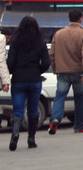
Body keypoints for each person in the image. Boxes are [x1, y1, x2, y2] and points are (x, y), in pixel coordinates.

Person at [6, 16, 50, 150]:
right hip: (34, 79)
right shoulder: (40, 42)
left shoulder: (15, 41)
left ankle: (15, 134)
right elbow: (46, 63)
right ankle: (31, 139)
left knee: (18, 109)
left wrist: (15, 71)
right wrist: (38, 70)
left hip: (19, 79)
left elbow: (10, 62)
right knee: (32, 110)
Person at [48, 9, 83, 134]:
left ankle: (55, 118)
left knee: (60, 96)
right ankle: (79, 125)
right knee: (79, 98)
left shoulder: (58, 34)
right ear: (80, 19)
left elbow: (52, 53)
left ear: (69, 19)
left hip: (62, 72)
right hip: (78, 72)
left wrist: (55, 68)